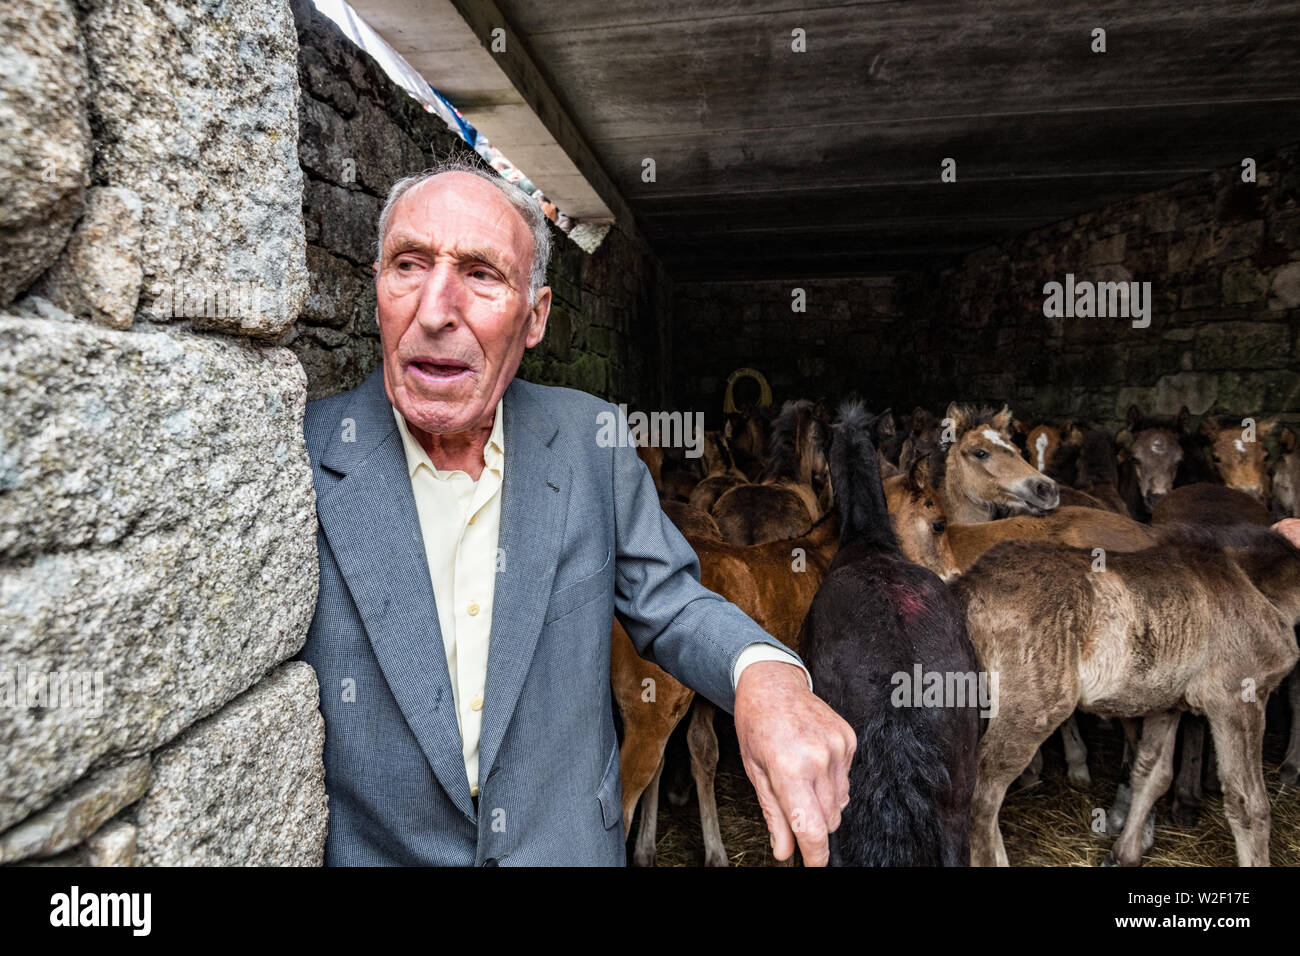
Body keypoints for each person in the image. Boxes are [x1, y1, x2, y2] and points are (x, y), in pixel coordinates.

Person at [297, 158, 855, 866]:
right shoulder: (302, 459)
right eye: (409, 264)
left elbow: (674, 602)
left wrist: (764, 676)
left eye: (480, 274)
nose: (435, 311)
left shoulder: (592, 441)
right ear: (377, 288)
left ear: (535, 318)